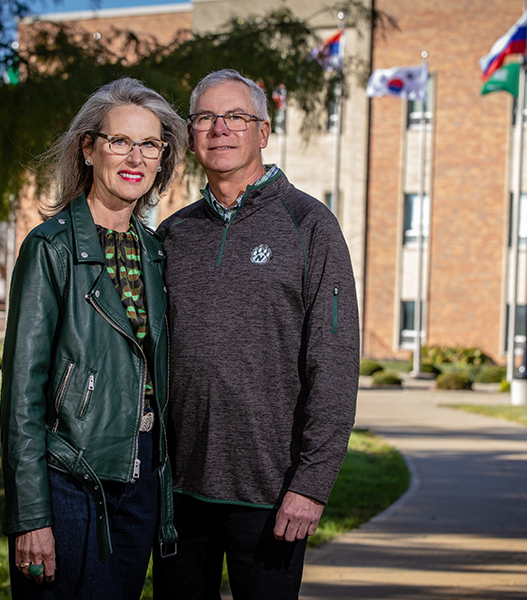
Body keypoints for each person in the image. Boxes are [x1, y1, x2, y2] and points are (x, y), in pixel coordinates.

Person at [153, 68, 359, 599]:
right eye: (205, 117)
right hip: (177, 493)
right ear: (192, 133)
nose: (220, 128)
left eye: (236, 117)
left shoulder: (309, 224)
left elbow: (334, 363)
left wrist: (311, 485)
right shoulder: (173, 233)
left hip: (271, 495)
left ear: (263, 132)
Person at [0, 77, 186, 599]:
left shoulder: (155, 252)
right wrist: (31, 515)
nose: (135, 156)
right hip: (69, 477)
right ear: (88, 147)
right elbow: (22, 397)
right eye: (119, 141)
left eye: (149, 144)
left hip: (140, 475)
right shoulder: (50, 248)